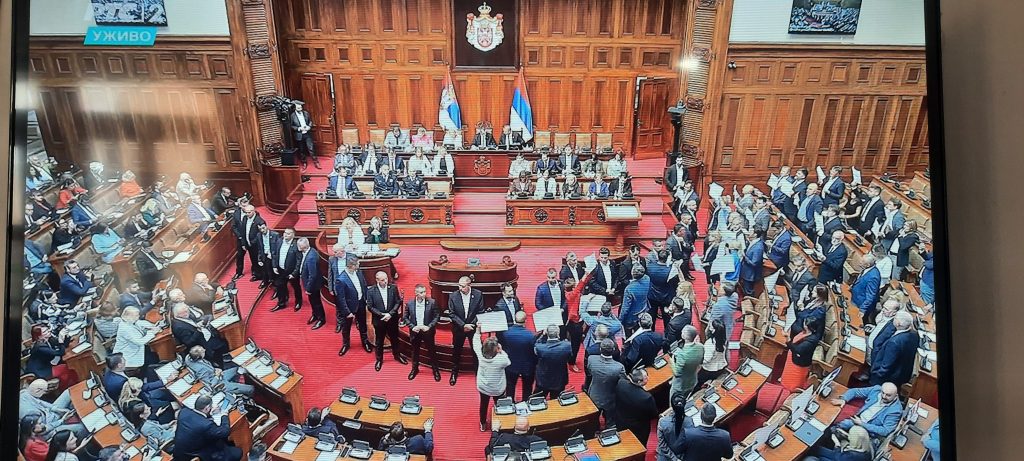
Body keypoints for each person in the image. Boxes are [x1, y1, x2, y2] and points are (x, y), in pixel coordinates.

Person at [174, 395, 242, 461]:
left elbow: (197, 418)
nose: (212, 407)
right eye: (211, 407)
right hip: (196, 455)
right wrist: (224, 415)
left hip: (180, 453)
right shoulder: (206, 425)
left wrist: (210, 413)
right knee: (237, 452)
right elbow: (225, 432)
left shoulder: (184, 412)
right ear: (207, 408)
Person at [830, 382, 903, 441]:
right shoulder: (877, 389)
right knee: (834, 410)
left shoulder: (895, 411)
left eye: (888, 395)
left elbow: (885, 431)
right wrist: (844, 399)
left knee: (844, 423)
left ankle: (829, 437)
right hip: (858, 415)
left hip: (867, 428)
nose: (883, 396)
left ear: (895, 396)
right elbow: (855, 391)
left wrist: (862, 424)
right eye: (883, 393)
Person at [367, 271, 407, 370]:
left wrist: (390, 314)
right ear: (377, 280)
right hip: (379, 320)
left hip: (392, 318)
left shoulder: (393, 287)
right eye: (382, 280)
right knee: (379, 341)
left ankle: (397, 355)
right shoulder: (371, 291)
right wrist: (382, 315)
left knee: (394, 338)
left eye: (386, 279)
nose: (385, 281)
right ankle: (379, 359)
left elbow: (398, 301)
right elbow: (370, 306)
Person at [472, 329, 510, 431]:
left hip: (483, 387)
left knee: (483, 404)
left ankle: (483, 423)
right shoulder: (500, 360)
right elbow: (508, 361)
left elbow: (475, 341)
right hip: (497, 389)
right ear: (496, 349)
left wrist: (478, 331)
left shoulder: (480, 355)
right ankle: (499, 423)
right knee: (500, 406)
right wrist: (501, 351)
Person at [171, 302, 230, 367]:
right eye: (183, 312)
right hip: (202, 344)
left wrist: (199, 324)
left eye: (187, 311)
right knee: (224, 343)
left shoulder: (184, 316)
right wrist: (198, 331)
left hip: (205, 334)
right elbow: (189, 342)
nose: (186, 313)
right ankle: (221, 364)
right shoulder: (179, 327)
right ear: (177, 314)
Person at [448, 276, 483, 385]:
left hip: (473, 328)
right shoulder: (453, 296)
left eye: (462, 286)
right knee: (456, 350)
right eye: (459, 285)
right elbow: (451, 313)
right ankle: (454, 371)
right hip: (459, 328)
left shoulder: (478, 294)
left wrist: (471, 325)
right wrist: (463, 325)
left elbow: (481, 311)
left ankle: (478, 372)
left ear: (469, 285)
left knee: (476, 350)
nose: (460, 288)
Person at [869, 311, 920, 386]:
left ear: (898, 323)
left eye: (895, 318)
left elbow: (886, 366)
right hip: (900, 374)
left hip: (886, 379)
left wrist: (876, 375)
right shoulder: (915, 335)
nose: (893, 319)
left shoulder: (894, 342)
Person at [404, 284, 442, 382]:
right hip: (415, 332)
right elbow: (405, 317)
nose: (423, 294)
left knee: (432, 351)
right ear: (416, 293)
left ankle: (435, 370)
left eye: (424, 292)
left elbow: (437, 316)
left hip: (427, 332)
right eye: (421, 292)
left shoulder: (432, 302)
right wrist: (412, 327)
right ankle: (414, 369)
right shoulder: (410, 303)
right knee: (415, 351)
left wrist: (429, 326)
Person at [334, 255, 370, 356]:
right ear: (352, 266)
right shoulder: (341, 279)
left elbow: (364, 286)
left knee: (363, 325)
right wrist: (347, 312)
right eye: (357, 263)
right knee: (346, 327)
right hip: (349, 308)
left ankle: (365, 342)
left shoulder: (358, 272)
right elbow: (340, 298)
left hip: (361, 303)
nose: (359, 264)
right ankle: (346, 344)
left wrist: (366, 300)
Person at [614, 367, 660, 446]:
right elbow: (653, 414)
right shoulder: (646, 397)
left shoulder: (621, 383)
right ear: (639, 381)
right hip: (638, 427)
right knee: (639, 445)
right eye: (646, 378)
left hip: (620, 420)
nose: (648, 378)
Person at [185, 345, 255, 396]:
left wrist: (214, 370)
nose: (205, 350)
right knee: (251, 388)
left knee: (238, 369)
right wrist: (217, 376)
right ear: (198, 357)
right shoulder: (201, 370)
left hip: (217, 374)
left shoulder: (188, 357)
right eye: (203, 351)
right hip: (219, 383)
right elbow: (211, 384)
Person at [498, 310, 537, 400]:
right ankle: (525, 403)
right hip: (527, 366)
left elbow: (503, 347)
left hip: (511, 365)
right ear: (526, 321)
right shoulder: (531, 336)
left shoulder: (506, 333)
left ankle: (510, 404)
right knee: (527, 388)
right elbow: (534, 352)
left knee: (510, 387)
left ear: (515, 320)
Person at [25, 325, 77, 391]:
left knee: (70, 369)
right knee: (65, 368)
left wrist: (66, 336)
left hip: (47, 364)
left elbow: (63, 345)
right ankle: (63, 389)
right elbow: (60, 352)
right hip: (40, 371)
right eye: (45, 332)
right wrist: (61, 340)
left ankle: (72, 384)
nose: (48, 331)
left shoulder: (48, 339)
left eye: (47, 329)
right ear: (39, 336)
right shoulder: (40, 347)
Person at [781, 316, 824, 391]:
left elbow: (798, 350)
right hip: (793, 358)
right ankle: (784, 382)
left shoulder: (810, 341)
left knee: (793, 381)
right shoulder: (808, 333)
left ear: (807, 327)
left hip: (799, 363)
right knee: (787, 376)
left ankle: (792, 389)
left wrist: (788, 340)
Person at [587, 338, 626, 421]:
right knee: (610, 421)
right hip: (610, 398)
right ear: (613, 350)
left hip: (594, 395)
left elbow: (589, 372)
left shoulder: (591, 359)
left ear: (600, 349)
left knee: (593, 420)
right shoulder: (619, 367)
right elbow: (623, 382)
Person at [534, 324, 572, 399]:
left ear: (547, 334)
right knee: (555, 403)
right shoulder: (567, 346)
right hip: (559, 380)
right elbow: (569, 357)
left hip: (543, 379)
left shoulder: (540, 348)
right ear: (558, 334)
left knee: (537, 401)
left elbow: (537, 343)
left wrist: (542, 335)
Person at [296, 237, 325, 330]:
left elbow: (312, 275)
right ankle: (315, 314)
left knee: (316, 302)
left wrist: (308, 289)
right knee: (312, 301)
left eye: (299, 245)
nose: (297, 247)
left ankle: (321, 319)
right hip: (309, 283)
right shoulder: (309, 251)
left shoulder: (311, 257)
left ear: (303, 246)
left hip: (313, 285)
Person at [269, 228, 301, 312]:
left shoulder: (296, 244)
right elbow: (275, 254)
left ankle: (298, 302)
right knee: (280, 286)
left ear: (293, 235)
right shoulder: (279, 241)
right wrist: (274, 266)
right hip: (280, 270)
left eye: (288, 234)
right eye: (285, 233)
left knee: (296, 287)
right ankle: (281, 303)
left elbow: (299, 261)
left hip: (292, 272)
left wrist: (294, 273)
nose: (285, 235)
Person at [805, 425, 873, 461]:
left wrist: (837, 444)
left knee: (815, 450)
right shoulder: (867, 448)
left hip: (838, 457)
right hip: (842, 457)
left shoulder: (853, 455)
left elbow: (837, 457)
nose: (849, 437)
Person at [669, 324, 703, 398]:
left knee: (674, 401)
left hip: (680, 385)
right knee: (686, 397)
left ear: (684, 336)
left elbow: (677, 373)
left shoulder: (681, 354)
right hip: (693, 380)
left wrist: (671, 360)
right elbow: (700, 364)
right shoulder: (701, 346)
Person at [656, 393, 692, 461]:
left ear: (672, 406)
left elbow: (662, 444)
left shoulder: (662, 421)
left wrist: (674, 459)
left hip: (665, 456)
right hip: (681, 456)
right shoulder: (689, 422)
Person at [850, 253, 882, 323]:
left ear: (868, 265)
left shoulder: (874, 277)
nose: (859, 263)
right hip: (855, 298)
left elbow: (870, 296)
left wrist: (862, 309)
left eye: (862, 262)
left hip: (860, 304)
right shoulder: (867, 269)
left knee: (854, 321)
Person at [620, 265, 651, 336]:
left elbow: (625, 308)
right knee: (639, 333)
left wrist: (621, 320)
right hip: (643, 310)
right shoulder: (647, 278)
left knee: (628, 335)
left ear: (632, 273)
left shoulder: (629, 289)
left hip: (631, 317)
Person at [697, 319, 729, 388]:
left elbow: (706, 360)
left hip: (709, 370)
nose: (709, 327)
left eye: (711, 327)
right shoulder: (724, 339)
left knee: (697, 382)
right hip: (720, 367)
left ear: (714, 330)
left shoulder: (710, 344)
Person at [290, 101, 319, 169]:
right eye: (298, 108)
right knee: (301, 150)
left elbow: (310, 121)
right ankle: (304, 162)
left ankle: (316, 162)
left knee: (311, 148)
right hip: (299, 135)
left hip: (307, 134)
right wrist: (299, 128)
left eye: (301, 108)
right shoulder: (292, 116)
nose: (300, 109)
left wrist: (309, 126)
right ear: (295, 108)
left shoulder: (306, 113)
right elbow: (291, 126)